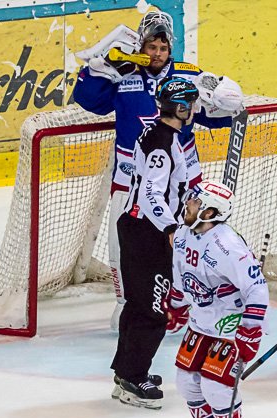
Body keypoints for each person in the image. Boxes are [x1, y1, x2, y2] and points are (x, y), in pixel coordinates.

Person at [73, 10, 243, 333]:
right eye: (152, 47)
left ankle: (186, 303)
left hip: (182, 184)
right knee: (122, 247)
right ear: (142, 45)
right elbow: (86, 98)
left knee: (188, 244)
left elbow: (220, 114)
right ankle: (128, 305)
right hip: (130, 181)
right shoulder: (125, 72)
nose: (157, 54)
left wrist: (225, 98)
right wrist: (101, 67)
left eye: (163, 48)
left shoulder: (187, 76)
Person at [111, 77, 201, 409]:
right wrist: (172, 228)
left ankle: (126, 372)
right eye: (190, 103)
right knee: (152, 310)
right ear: (180, 107)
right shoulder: (163, 144)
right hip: (147, 233)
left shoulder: (155, 132)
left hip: (135, 227)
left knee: (136, 305)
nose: (193, 109)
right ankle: (134, 379)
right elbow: (151, 195)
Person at [170, 180, 267, 418]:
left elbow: (258, 290)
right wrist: (174, 303)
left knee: (216, 386)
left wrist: (249, 332)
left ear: (210, 211)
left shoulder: (228, 247)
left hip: (230, 324)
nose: (189, 204)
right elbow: (179, 273)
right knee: (185, 381)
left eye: (196, 203)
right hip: (201, 320)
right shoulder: (184, 235)